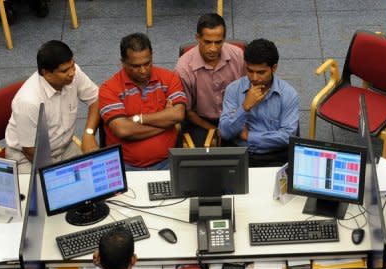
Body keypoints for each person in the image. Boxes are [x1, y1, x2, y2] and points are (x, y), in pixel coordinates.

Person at [5, 40, 100, 173]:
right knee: (47, 192)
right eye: (65, 71)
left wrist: (89, 134)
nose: (72, 72)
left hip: (65, 148)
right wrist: (58, 174)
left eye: (72, 65)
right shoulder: (28, 102)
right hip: (28, 158)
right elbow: (30, 150)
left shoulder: (73, 73)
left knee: (94, 176)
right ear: (47, 74)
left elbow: (96, 99)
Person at [99, 33, 187, 170]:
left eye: (147, 63)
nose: (143, 70)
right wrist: (167, 122)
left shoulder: (169, 78)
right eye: (136, 66)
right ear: (123, 62)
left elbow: (178, 115)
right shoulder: (108, 88)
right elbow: (123, 130)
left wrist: (137, 119)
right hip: (125, 166)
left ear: (152, 56)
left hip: (167, 162)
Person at [219, 38, 300, 167]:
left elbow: (287, 137)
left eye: (261, 72)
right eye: (250, 71)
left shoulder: (289, 95)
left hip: (274, 157)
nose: (254, 78)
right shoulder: (233, 90)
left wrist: (249, 136)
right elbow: (225, 132)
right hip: (240, 155)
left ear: (274, 68)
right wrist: (245, 107)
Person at [175, 13, 244, 147]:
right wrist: (214, 130)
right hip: (200, 122)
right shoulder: (183, 68)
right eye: (207, 42)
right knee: (201, 160)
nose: (213, 48)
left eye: (218, 42)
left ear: (224, 39)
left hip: (235, 116)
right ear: (197, 38)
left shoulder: (239, 56)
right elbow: (188, 112)